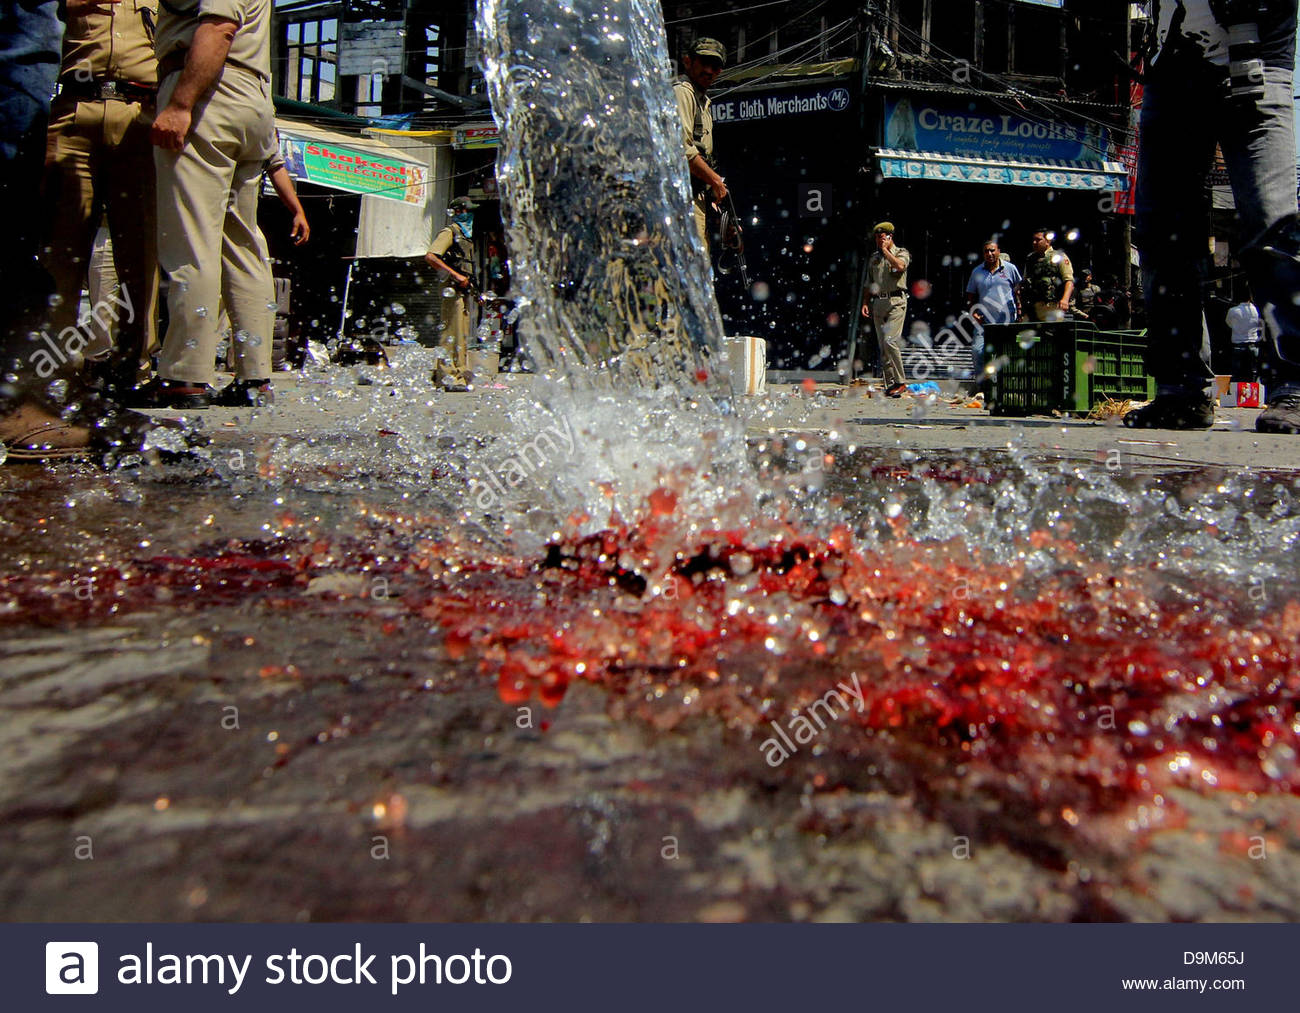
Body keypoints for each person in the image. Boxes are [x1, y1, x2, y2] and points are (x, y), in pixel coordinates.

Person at [1126, 1, 1300, 432]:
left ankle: (1294, 386)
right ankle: (1181, 392)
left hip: (1256, 59)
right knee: (1161, 232)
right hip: (1171, 71)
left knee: (1270, 224)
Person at [149, 0, 277, 409]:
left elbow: (220, 27)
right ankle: (255, 375)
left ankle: (186, 375)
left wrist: (181, 103)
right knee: (243, 244)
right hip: (252, 98)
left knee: (193, 239)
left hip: (210, 87)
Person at [40, 0, 160, 408]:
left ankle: (134, 367)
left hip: (141, 114)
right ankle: (56, 372)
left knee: (139, 251)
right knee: (60, 252)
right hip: (73, 110)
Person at [674, 37, 727, 252]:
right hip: (680, 200)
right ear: (688, 62)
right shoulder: (682, 92)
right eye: (703, 63)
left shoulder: (703, 103)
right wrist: (716, 181)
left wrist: (724, 221)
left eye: (715, 66)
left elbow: (702, 160)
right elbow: (681, 151)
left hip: (696, 199)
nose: (709, 70)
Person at [424, 196, 478, 391]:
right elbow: (431, 256)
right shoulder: (450, 232)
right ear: (456, 212)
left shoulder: (465, 236)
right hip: (452, 290)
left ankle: (459, 375)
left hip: (462, 291)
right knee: (450, 333)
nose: (470, 215)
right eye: (466, 211)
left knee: (461, 334)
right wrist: (456, 276)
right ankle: (447, 376)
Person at [861, 221, 910, 397]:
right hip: (879, 302)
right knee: (883, 346)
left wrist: (887, 251)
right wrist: (866, 302)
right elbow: (869, 283)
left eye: (882, 238)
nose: (879, 241)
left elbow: (900, 266)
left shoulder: (901, 253)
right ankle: (890, 384)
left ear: (890, 237)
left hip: (896, 301)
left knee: (891, 341)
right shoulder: (874, 258)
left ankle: (900, 381)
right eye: (877, 238)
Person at [964, 239, 1022, 379]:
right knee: (978, 351)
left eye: (992, 250)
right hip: (984, 321)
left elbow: (1019, 291)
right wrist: (973, 313)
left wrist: (1020, 311)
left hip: (1006, 320)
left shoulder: (1010, 269)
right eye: (986, 251)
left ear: (998, 251)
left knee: (1006, 353)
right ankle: (981, 386)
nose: (989, 254)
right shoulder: (977, 272)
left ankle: (1007, 384)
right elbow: (970, 296)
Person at [1020, 228, 1074, 322]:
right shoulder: (1030, 259)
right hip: (1034, 306)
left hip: (1052, 305)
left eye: (1038, 239)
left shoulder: (1059, 256)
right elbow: (1025, 281)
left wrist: (1065, 299)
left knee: (1052, 333)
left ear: (1048, 241)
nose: (1034, 242)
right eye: (1034, 240)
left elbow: (1069, 281)